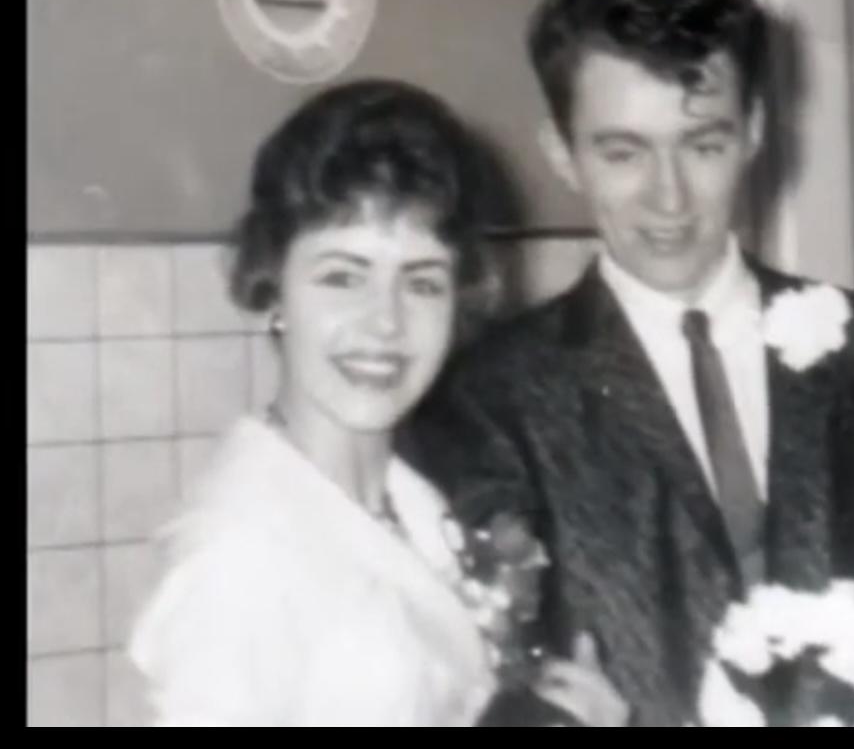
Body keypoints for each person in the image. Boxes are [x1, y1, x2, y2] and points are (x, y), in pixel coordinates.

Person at [411, 0, 854, 726]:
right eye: (623, 153)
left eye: (703, 145)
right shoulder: (491, 398)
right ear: (562, 152)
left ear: (753, 131)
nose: (670, 197)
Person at [128, 80, 628, 727]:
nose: (386, 322)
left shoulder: (409, 501)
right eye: (343, 276)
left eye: (422, 282)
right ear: (273, 286)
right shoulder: (238, 559)